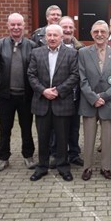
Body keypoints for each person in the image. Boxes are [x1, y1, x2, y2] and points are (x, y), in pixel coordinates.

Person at [27, 24, 79, 181]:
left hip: (62, 102)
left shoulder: (71, 53)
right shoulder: (36, 53)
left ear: (61, 37)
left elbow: (75, 75)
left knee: (62, 137)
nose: (52, 38)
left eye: (55, 35)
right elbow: (31, 75)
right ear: (44, 37)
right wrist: (43, 91)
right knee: (42, 137)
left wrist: (58, 91)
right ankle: (42, 167)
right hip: (42, 102)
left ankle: (63, 166)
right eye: (49, 35)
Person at [78, 20, 111, 181]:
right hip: (89, 102)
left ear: (108, 34)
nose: (99, 34)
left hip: (108, 102)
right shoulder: (83, 53)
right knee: (89, 137)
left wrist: (104, 96)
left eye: (103, 32)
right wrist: (93, 97)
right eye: (96, 31)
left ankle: (106, 168)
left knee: (106, 139)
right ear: (91, 34)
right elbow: (82, 79)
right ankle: (87, 167)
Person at [0, 13, 37, 171]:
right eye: (12, 24)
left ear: (24, 26)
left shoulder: (32, 46)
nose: (16, 27)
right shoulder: (0, 45)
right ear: (8, 26)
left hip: (26, 96)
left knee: (26, 128)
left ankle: (28, 156)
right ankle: (2, 157)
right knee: (5, 128)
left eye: (18, 24)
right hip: (5, 96)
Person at [49, 16, 85, 168]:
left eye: (71, 27)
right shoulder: (51, 46)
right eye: (65, 27)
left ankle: (74, 154)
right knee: (55, 128)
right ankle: (55, 154)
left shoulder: (81, 48)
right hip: (57, 95)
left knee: (74, 126)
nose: (68, 30)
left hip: (75, 95)